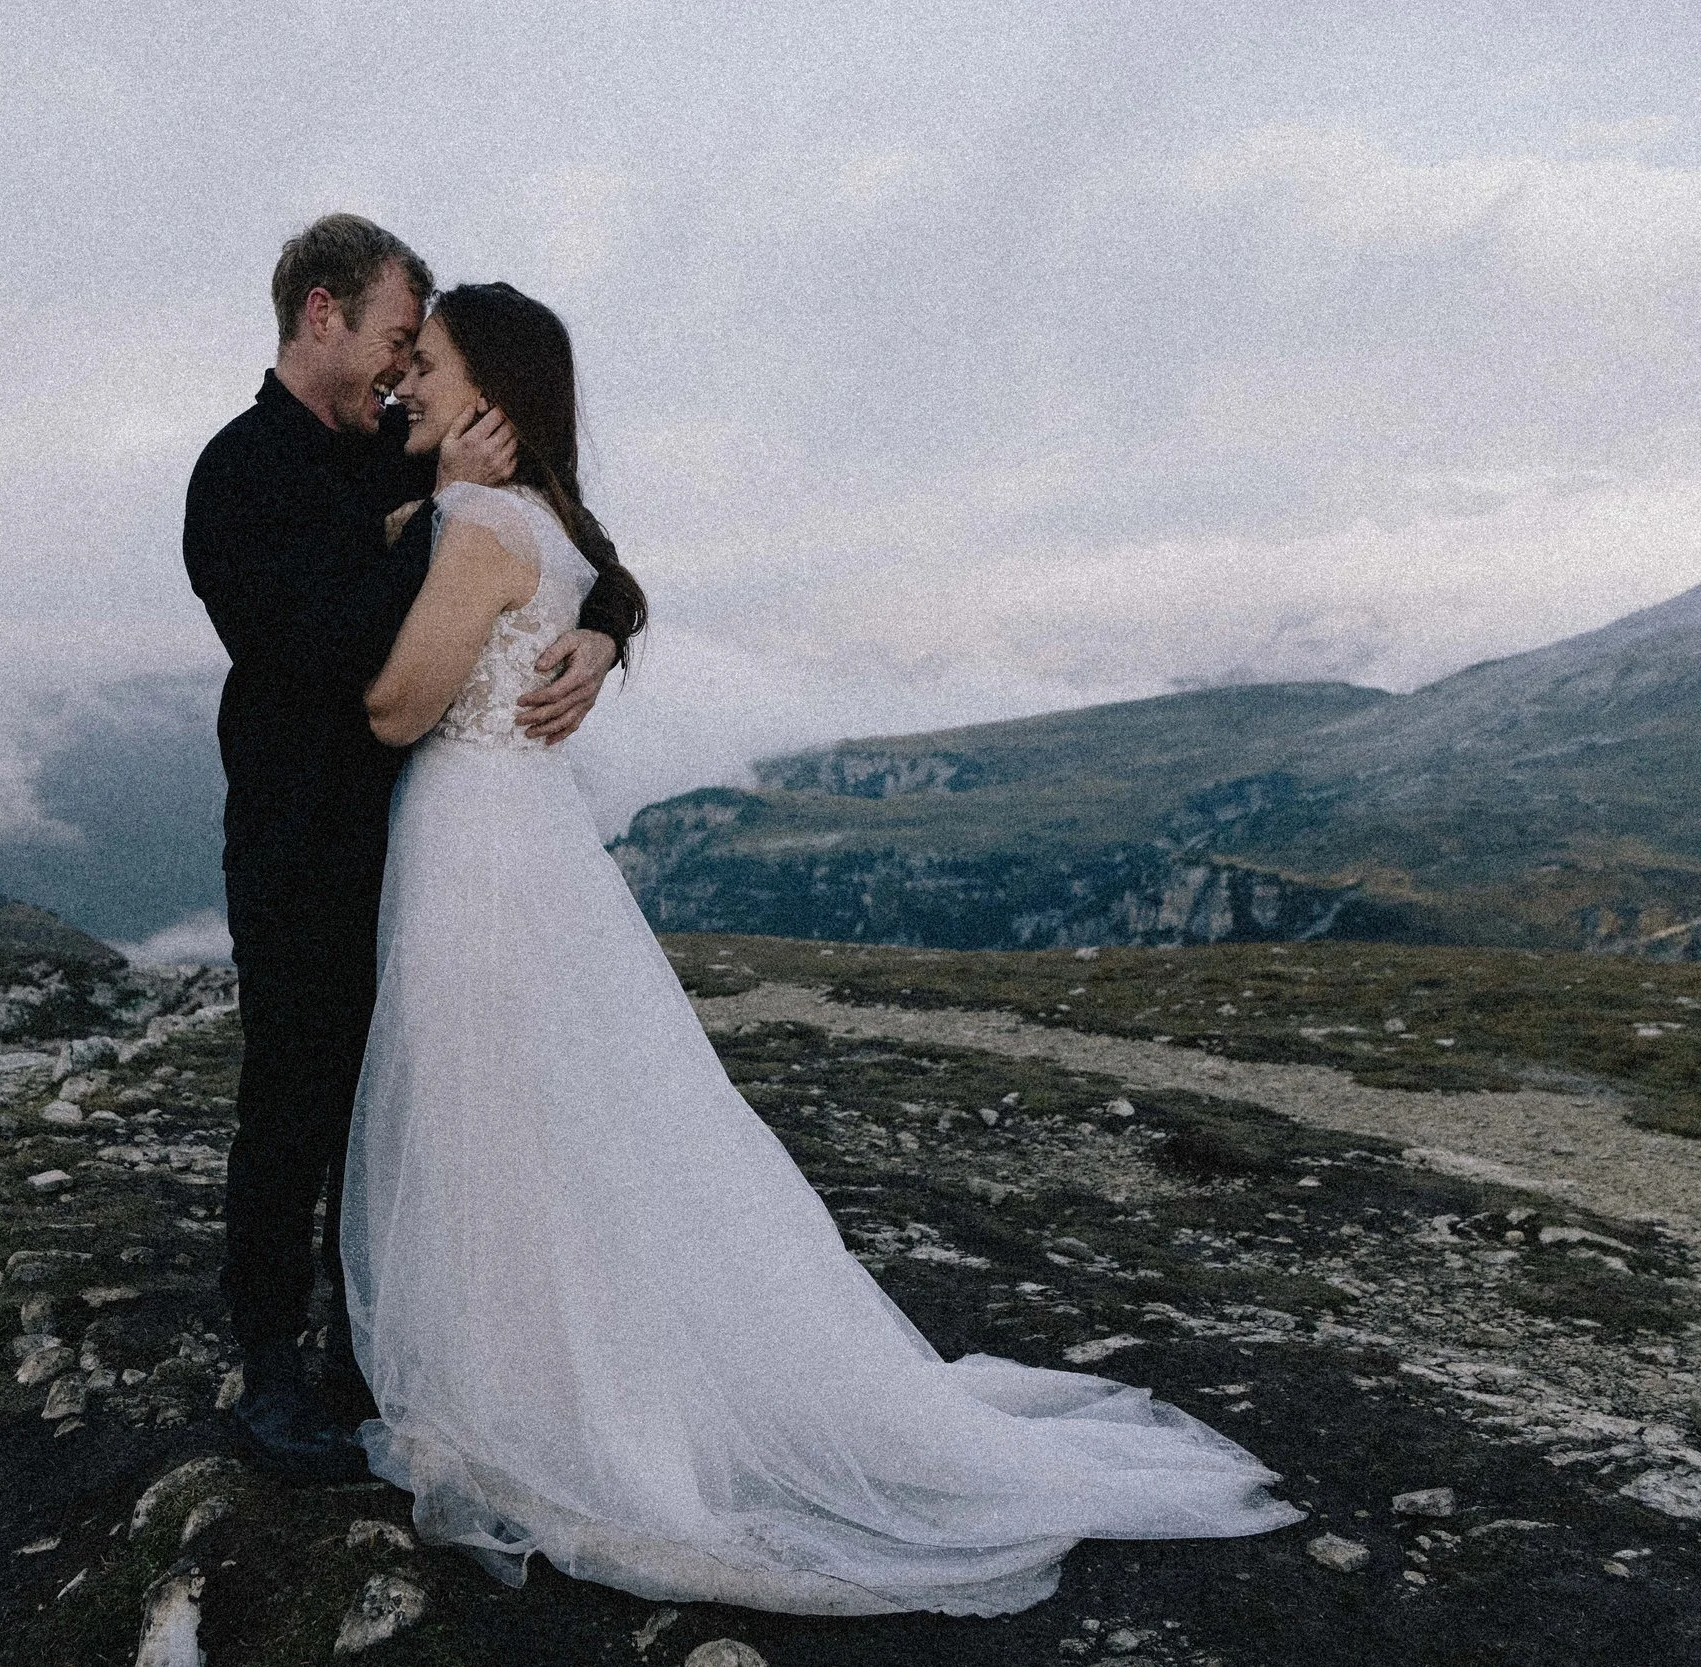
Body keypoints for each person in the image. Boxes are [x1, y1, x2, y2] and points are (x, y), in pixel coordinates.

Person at [342, 281, 1304, 1616]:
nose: (412, 387)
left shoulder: (479, 521)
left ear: (491, 395)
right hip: (526, 844)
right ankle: (563, 1379)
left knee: (493, 1117)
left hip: (478, 851)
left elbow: (396, 705)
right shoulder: (547, 527)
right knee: (542, 1121)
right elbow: (563, 587)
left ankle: (545, 1406)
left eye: (433, 366)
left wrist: (423, 526)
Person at [182, 217, 638, 1482]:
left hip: (434, 837)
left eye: (415, 355)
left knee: (421, 1095)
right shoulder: (236, 476)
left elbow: (568, 547)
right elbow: (333, 647)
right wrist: (435, 522)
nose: (400, 371)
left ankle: (377, 1340)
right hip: (303, 838)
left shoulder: (410, 450)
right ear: (321, 313)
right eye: (393, 337)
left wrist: (600, 634)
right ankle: (271, 1355)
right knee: (298, 1095)